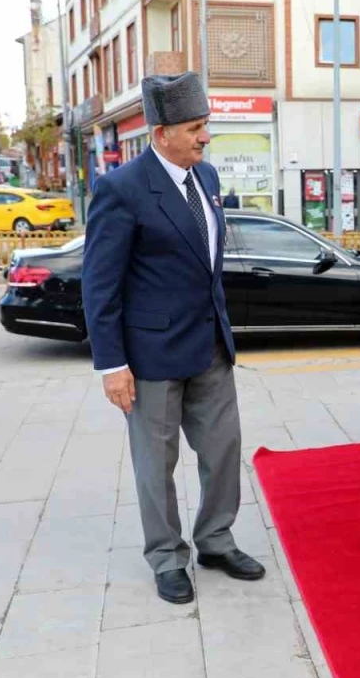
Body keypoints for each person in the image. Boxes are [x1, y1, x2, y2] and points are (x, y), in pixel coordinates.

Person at [82, 71, 263, 605]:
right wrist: (111, 364)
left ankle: (216, 540)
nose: (204, 137)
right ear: (161, 132)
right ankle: (166, 556)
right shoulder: (122, 189)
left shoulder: (205, 178)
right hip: (152, 357)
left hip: (209, 348)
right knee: (156, 465)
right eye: (194, 128)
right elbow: (100, 284)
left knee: (223, 451)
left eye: (205, 125)